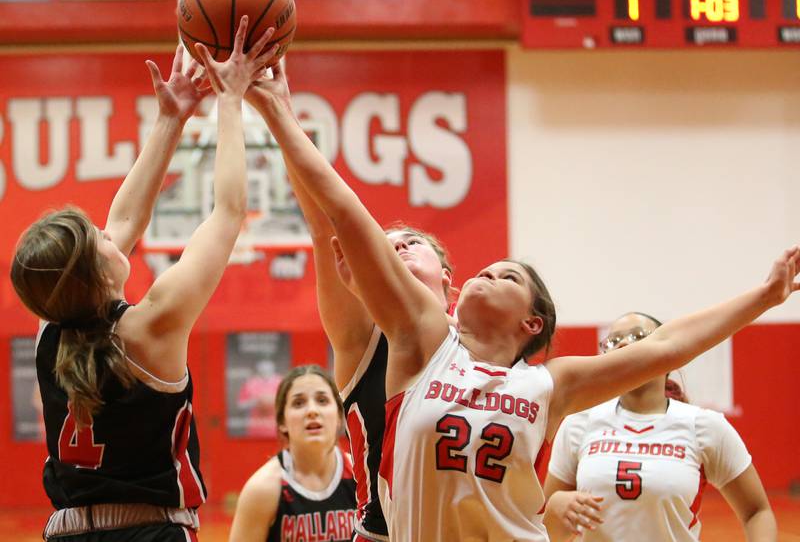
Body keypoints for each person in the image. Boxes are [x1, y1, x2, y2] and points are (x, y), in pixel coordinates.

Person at [250, 64, 799, 541]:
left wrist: (765, 295)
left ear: (531, 320)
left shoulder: (547, 385)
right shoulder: (421, 342)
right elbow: (341, 215)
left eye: (506, 274)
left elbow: (671, 344)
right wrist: (278, 114)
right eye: (486, 269)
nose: (489, 271)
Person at [10, 17, 278, 541]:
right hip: (150, 530)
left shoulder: (49, 329)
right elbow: (228, 212)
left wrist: (171, 119)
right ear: (97, 271)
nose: (113, 235)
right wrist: (229, 100)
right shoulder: (150, 329)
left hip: (65, 530)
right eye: (101, 240)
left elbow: (125, 224)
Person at [245, 68, 455, 542]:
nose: (396, 248)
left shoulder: (480, 344)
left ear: (448, 280)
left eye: (411, 242)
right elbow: (326, 227)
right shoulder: (365, 340)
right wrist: (278, 112)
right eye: (386, 245)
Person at [543, 312, 776, 541]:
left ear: (668, 355)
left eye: (639, 336)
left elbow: (757, 512)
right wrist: (554, 508)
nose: (623, 343)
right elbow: (545, 530)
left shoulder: (703, 426)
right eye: (612, 341)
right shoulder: (579, 423)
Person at [229, 365, 357, 542]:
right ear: (282, 422)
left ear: (339, 416)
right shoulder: (262, 489)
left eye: (322, 400)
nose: (312, 410)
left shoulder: (362, 478)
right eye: (298, 403)